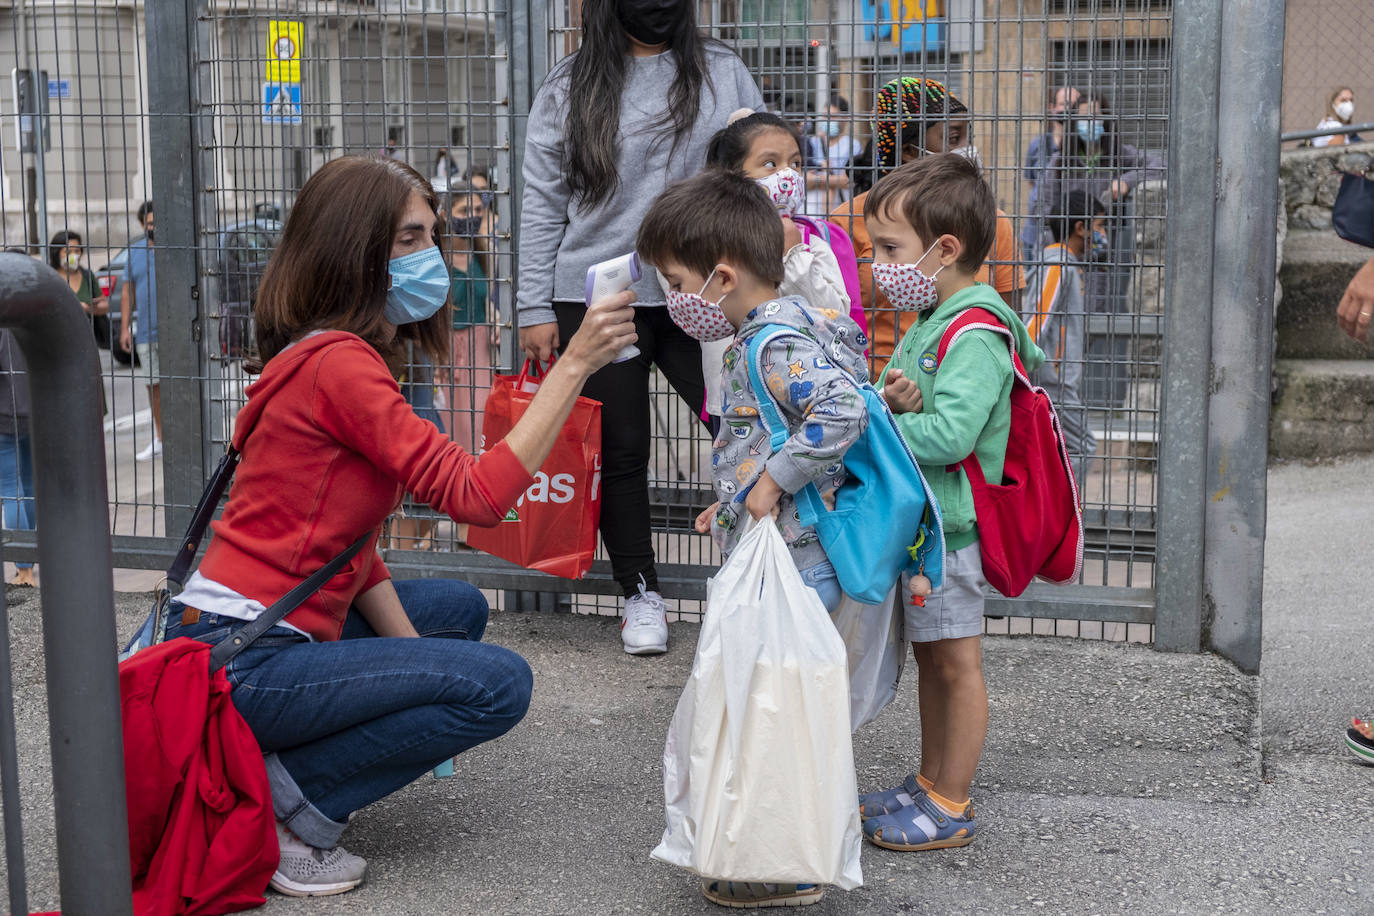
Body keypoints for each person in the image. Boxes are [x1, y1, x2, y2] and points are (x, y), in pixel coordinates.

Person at [156, 154, 637, 897]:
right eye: (411, 238)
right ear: (356, 248)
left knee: (459, 612)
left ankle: (279, 765)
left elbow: (352, 553)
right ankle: (292, 808)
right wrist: (574, 365)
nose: (433, 256)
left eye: (432, 236)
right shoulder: (342, 367)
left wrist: (412, 669)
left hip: (246, 637)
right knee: (499, 686)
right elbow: (477, 496)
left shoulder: (331, 354)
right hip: (242, 659)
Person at [640, 168, 867, 910]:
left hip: (799, 559)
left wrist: (771, 479)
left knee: (775, 711)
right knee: (772, 707)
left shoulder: (770, 342)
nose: (672, 299)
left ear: (723, 276)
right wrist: (734, 499)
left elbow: (837, 412)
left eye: (676, 281)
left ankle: (787, 860)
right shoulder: (788, 324)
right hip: (790, 547)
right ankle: (770, 845)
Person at [516, 0, 762, 655]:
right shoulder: (570, 83)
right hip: (600, 295)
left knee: (742, 428)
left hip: (707, 287)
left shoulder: (721, 71)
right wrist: (533, 306)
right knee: (622, 451)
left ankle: (760, 579)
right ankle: (639, 594)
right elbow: (542, 200)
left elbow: (758, 173)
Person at [859, 153, 1045, 854]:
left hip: (954, 532)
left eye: (889, 248)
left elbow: (952, 434)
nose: (879, 264)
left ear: (945, 250)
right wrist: (897, 401)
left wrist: (887, 423)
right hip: (930, 528)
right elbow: (918, 404)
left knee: (955, 664)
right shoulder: (933, 315)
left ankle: (951, 801)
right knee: (934, 660)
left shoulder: (973, 332)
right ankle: (929, 781)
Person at [830, 77, 1024, 375]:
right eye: (952, 137)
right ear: (909, 150)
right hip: (874, 388)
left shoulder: (991, 221)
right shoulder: (848, 221)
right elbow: (833, 322)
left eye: (965, 137)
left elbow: (1007, 323)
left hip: (966, 383)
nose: (965, 149)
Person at [1033, 93, 1164, 407]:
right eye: (1082, 117)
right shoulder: (1061, 161)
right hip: (1067, 254)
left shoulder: (1119, 155)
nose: (1089, 123)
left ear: (1105, 121)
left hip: (1104, 256)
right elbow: (1042, 206)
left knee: (1096, 319)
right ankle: (1061, 397)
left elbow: (1160, 167)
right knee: (1063, 320)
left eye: (1095, 117)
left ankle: (1087, 398)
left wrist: (1126, 182)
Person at [1022, 190, 1105, 484]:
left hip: (1053, 379)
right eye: (1099, 226)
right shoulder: (1058, 265)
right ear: (1080, 227)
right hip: (1052, 383)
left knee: (1053, 451)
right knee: (1083, 445)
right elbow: (1035, 323)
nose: (1102, 234)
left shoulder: (1063, 264)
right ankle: (1062, 513)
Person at [442, 185, 496, 458]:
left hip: (480, 344)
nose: (473, 216)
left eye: (477, 209)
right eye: (465, 210)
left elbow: (489, 300)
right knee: (450, 422)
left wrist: (496, 323)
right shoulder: (439, 258)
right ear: (447, 215)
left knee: (480, 418)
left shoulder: (481, 253)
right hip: (446, 346)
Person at [119, 201, 162, 461]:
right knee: (153, 386)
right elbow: (127, 291)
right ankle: (159, 438)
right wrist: (125, 328)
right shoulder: (134, 252)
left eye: (156, 223)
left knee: (178, 386)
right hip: (146, 331)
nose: (153, 228)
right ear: (142, 225)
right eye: (149, 224)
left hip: (174, 332)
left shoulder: (173, 249)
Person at [1021, 86, 1082, 260]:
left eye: (1074, 105)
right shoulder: (1038, 145)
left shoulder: (1080, 148)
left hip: (1068, 233)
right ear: (1052, 107)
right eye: (1064, 104)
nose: (1068, 110)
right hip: (1035, 231)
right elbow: (1031, 183)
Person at [0, 330, 35, 588]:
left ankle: (23, 569)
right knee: (30, 484)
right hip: (34, 407)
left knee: (11, 489)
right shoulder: (30, 306)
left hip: (3, 414)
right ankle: (29, 561)